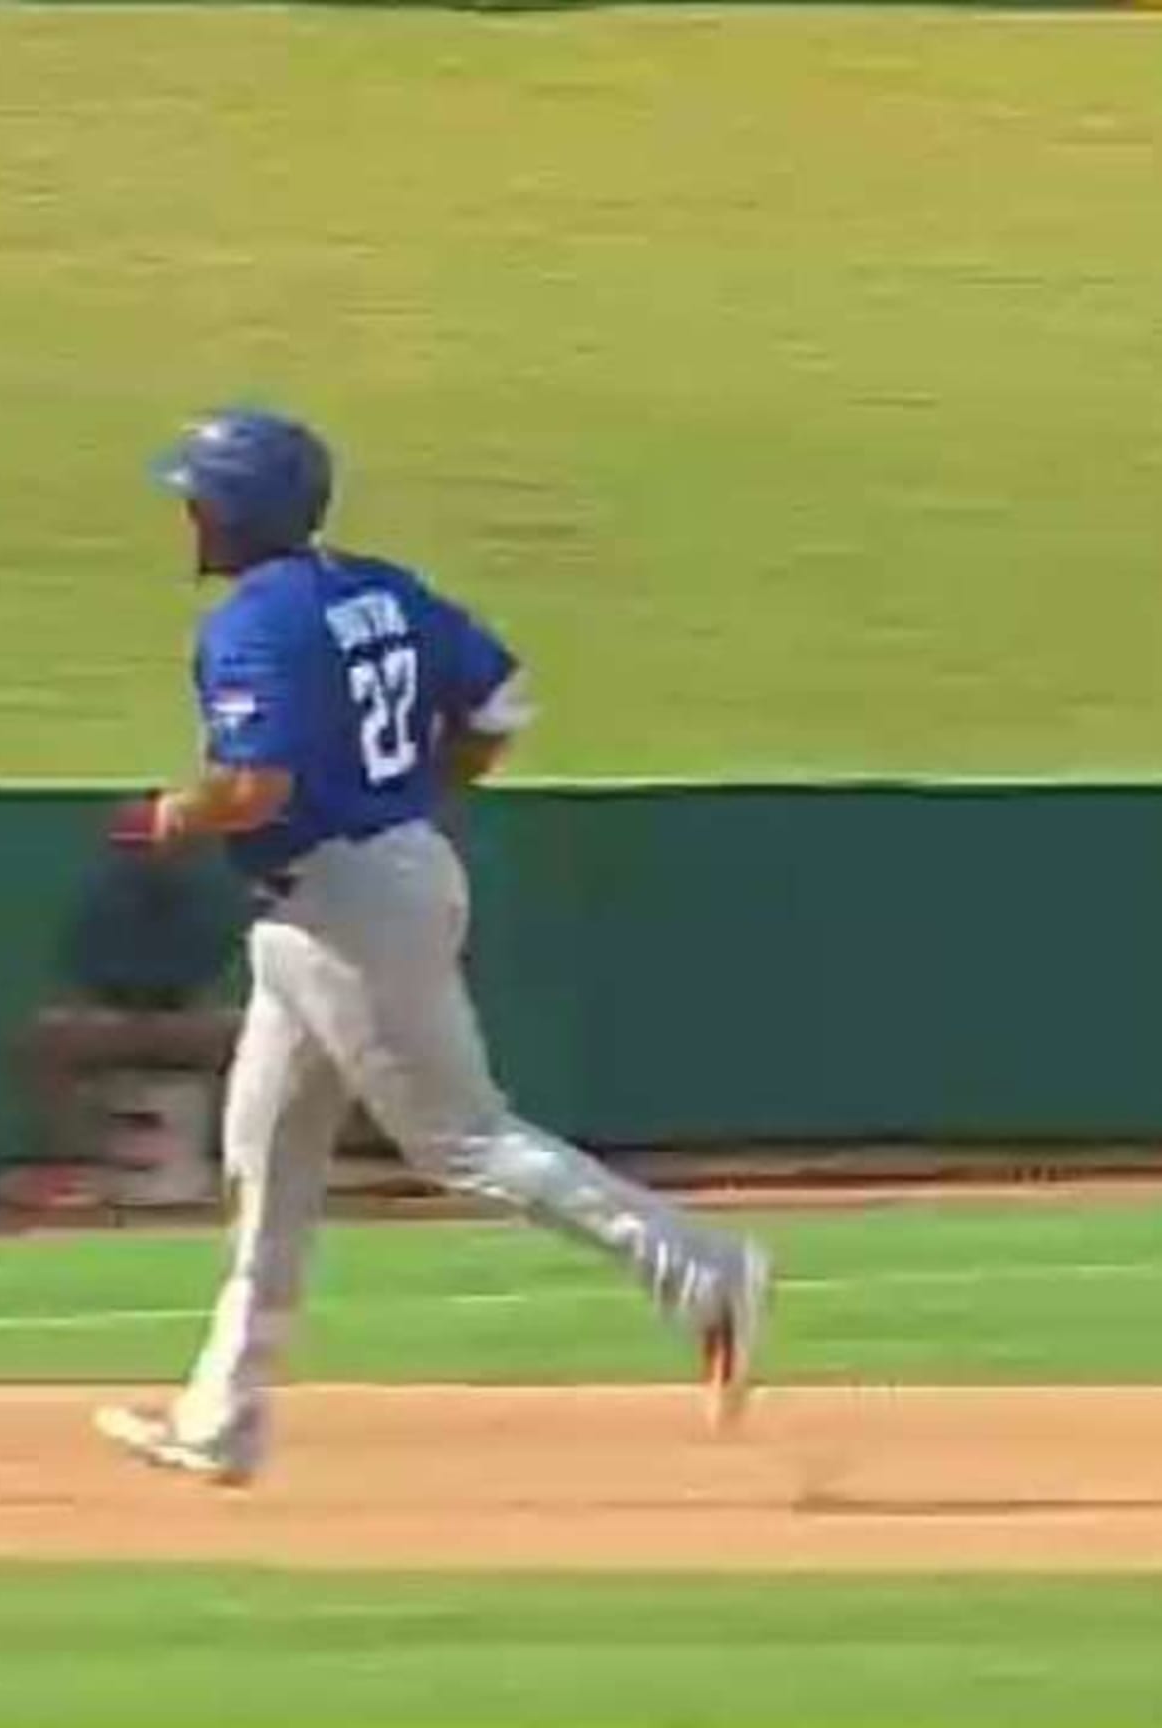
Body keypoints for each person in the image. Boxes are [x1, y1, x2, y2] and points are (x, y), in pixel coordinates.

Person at [94, 406, 771, 1487]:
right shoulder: (376, 588)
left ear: (237, 511)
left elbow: (257, 785)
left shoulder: (254, 623)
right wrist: (420, 797)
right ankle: (223, 1419)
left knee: (462, 1141)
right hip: (354, 889)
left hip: (343, 899)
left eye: (198, 499)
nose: (187, 516)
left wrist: (172, 816)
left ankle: (702, 1270)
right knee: (265, 1161)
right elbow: (501, 702)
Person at [13, 802, 245, 1173]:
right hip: (115, 1019)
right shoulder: (104, 896)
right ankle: (71, 1167)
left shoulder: (206, 897)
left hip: (183, 1019)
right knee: (42, 1040)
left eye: (151, 847)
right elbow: (85, 973)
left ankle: (227, 1163)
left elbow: (207, 972)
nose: (144, 859)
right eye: (133, 848)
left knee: (253, 1040)